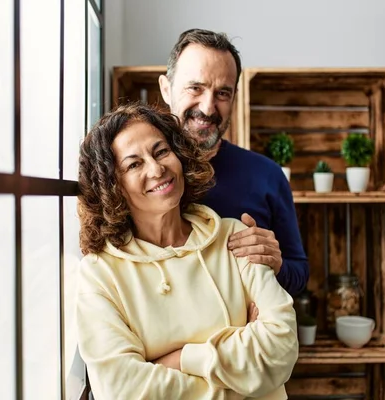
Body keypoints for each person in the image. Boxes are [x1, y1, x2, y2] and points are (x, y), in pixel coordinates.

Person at [76, 103, 298, 399]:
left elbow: (280, 351)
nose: (156, 170)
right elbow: (124, 390)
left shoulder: (235, 236)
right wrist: (243, 380)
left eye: (161, 152)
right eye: (134, 164)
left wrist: (181, 360)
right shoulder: (100, 273)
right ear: (112, 186)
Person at [158, 29, 309, 296]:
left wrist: (276, 263)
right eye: (195, 88)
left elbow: (299, 275)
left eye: (222, 93)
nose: (207, 107)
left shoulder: (268, 176)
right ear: (166, 89)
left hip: (246, 336)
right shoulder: (145, 177)